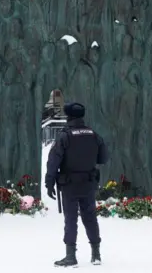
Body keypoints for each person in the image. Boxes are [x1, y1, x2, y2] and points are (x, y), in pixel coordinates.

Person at [45, 102, 108, 267]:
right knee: (90, 218)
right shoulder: (94, 134)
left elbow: (53, 161)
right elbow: (103, 158)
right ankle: (96, 254)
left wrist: (49, 181)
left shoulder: (64, 136)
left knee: (71, 219)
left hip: (69, 184)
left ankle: (71, 256)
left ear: (69, 116)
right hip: (88, 183)